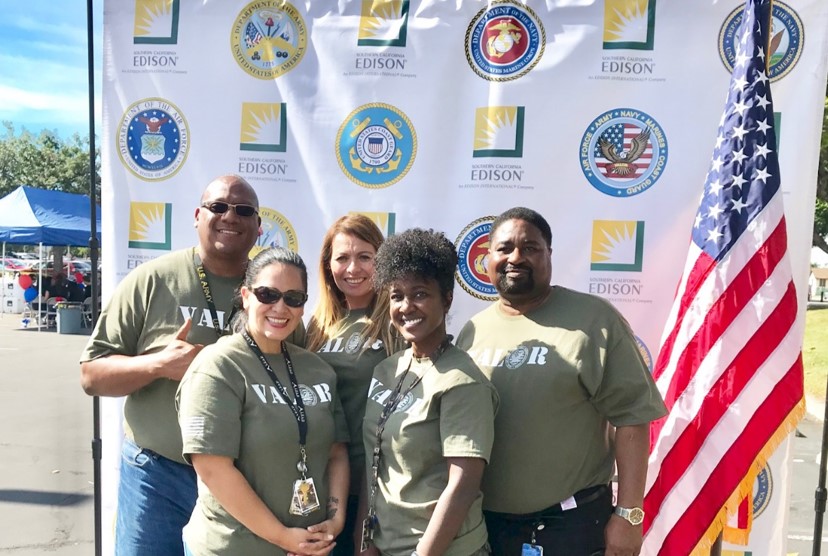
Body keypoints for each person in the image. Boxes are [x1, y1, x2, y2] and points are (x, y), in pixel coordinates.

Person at [455, 207, 667, 556]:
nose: (516, 258)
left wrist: (629, 515)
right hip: (485, 529)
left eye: (530, 247)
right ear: (487, 257)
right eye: (505, 248)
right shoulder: (473, 330)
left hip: (571, 528)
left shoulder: (595, 320)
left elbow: (632, 418)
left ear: (549, 254)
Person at [79, 175, 273, 555]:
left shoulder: (272, 294)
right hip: (157, 476)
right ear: (198, 216)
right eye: (218, 207)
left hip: (245, 480)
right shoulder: (152, 280)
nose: (230, 216)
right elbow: (91, 375)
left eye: (243, 210)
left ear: (258, 226)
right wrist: (158, 365)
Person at [177, 247, 350, 555]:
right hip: (234, 548)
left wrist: (335, 521)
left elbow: (336, 452)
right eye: (267, 294)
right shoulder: (218, 366)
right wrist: (284, 537)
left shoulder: (318, 370)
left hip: (310, 547)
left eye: (294, 298)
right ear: (246, 296)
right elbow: (213, 468)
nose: (280, 307)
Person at [361, 228, 498, 556]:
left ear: (446, 299)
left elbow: (462, 487)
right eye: (396, 296)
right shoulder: (386, 370)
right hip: (386, 546)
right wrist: (365, 542)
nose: (406, 306)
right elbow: (374, 465)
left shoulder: (462, 381)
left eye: (420, 294)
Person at [305, 214, 398, 556]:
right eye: (342, 258)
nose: (353, 268)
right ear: (327, 265)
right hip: (319, 488)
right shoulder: (316, 325)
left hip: (375, 489)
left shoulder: (396, 322)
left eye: (365, 257)